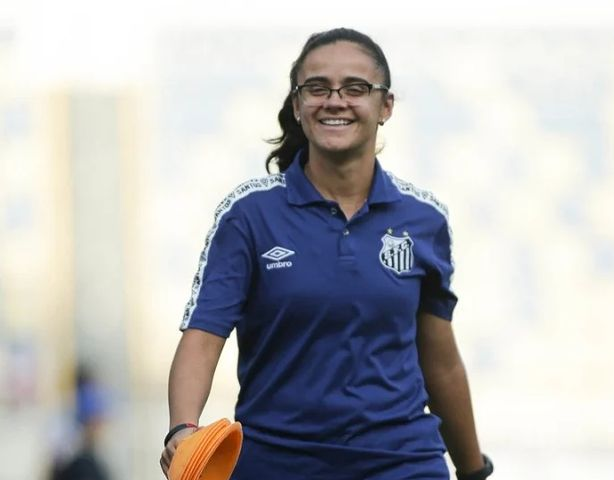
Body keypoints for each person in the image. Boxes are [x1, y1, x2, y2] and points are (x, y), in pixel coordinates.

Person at [160, 27, 493, 480]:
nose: (335, 101)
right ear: (297, 105)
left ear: (385, 106)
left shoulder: (424, 220)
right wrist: (182, 428)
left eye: (355, 88)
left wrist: (473, 471)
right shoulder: (249, 215)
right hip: (276, 464)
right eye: (317, 88)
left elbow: (440, 359)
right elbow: (203, 336)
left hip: (403, 464)